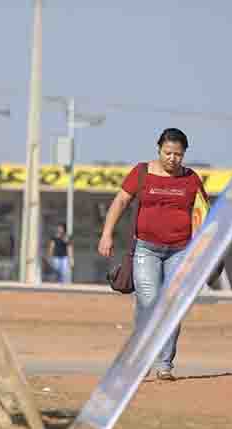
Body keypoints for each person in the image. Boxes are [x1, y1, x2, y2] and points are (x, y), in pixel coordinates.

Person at [97, 128, 208, 381]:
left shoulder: (191, 179)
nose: (172, 158)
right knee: (149, 303)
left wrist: (206, 249)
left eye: (178, 154)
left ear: (184, 154)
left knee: (171, 306)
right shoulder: (142, 172)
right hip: (146, 249)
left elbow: (203, 215)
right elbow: (120, 202)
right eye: (168, 153)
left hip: (180, 250)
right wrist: (107, 233)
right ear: (158, 149)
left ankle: (164, 364)